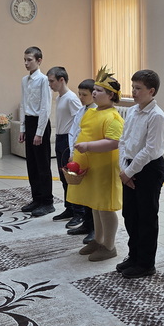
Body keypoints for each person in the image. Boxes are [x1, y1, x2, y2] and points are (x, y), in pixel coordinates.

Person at [67, 68, 124, 262]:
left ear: (111, 95)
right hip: (91, 167)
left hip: (105, 168)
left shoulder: (113, 117)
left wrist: (88, 146)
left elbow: (113, 142)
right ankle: (98, 240)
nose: (94, 93)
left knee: (105, 208)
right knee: (95, 205)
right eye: (95, 89)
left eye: (99, 90)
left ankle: (109, 246)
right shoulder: (92, 112)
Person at [117, 69, 164, 279]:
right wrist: (124, 169)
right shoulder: (132, 111)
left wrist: (128, 172)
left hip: (149, 169)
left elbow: (150, 150)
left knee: (146, 217)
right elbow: (123, 141)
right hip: (130, 167)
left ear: (151, 91)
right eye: (133, 87)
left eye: (138, 88)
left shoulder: (157, 116)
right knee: (130, 214)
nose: (134, 92)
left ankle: (146, 263)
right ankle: (134, 255)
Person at [47, 66, 84, 229]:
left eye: (52, 81)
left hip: (68, 140)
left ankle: (79, 212)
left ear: (61, 80)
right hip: (60, 138)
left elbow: (79, 123)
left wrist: (73, 147)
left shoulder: (71, 98)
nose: (50, 85)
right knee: (64, 178)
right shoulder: (60, 98)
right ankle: (69, 208)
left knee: (72, 179)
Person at [19, 46, 54, 217]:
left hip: (41, 123)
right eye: (24, 60)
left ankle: (47, 201)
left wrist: (39, 132)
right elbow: (23, 104)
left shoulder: (44, 80)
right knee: (32, 164)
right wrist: (22, 128)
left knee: (42, 164)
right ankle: (37, 198)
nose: (26, 63)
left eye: (29, 60)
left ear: (39, 61)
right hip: (29, 122)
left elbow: (45, 107)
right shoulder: (24, 80)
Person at [67, 79, 97, 244]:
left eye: (84, 95)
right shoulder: (82, 110)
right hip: (78, 154)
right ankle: (86, 223)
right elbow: (74, 131)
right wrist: (72, 152)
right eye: (79, 94)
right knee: (84, 192)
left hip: (90, 156)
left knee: (92, 194)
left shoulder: (96, 111)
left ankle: (94, 228)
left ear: (94, 94)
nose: (80, 97)